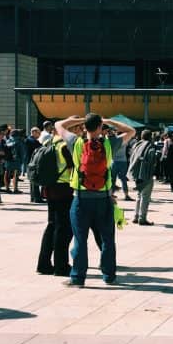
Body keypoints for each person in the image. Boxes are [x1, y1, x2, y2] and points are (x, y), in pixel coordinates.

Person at [56, 113, 136, 286]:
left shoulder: (76, 143)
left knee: (80, 239)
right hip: (104, 199)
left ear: (85, 127)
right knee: (107, 238)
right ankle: (109, 276)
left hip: (81, 199)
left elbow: (59, 124)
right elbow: (131, 131)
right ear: (100, 128)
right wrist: (108, 121)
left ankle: (77, 277)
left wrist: (80, 120)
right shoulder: (109, 144)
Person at [36, 128, 75, 277]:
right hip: (64, 190)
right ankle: (61, 266)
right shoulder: (65, 146)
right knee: (63, 229)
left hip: (50, 188)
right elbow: (73, 170)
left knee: (52, 226)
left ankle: (43, 263)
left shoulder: (51, 142)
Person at [128, 129, 159, 225]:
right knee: (145, 196)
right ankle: (142, 218)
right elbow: (152, 159)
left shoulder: (136, 145)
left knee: (139, 195)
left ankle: (136, 216)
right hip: (145, 174)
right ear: (150, 137)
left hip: (136, 173)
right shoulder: (149, 146)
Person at [109, 125, 133, 201]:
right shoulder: (125, 141)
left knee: (112, 179)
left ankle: (111, 194)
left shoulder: (113, 141)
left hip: (114, 161)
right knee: (123, 179)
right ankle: (126, 195)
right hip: (123, 161)